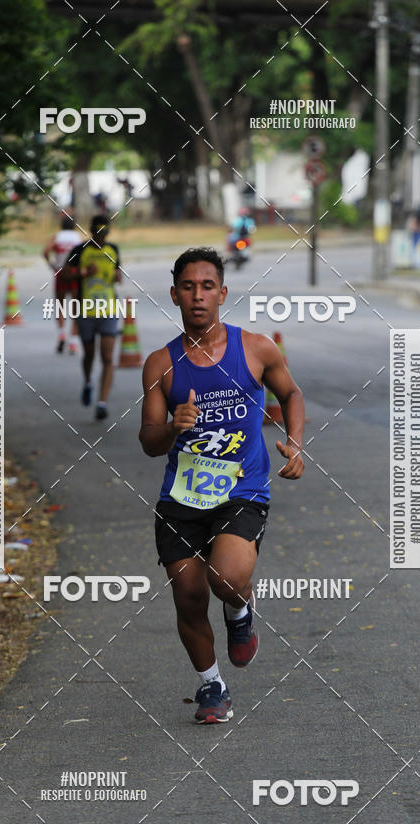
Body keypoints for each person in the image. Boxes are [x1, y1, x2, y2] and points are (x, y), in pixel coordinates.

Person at [139, 247, 305, 724]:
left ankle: (238, 608)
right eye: (188, 287)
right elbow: (149, 442)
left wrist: (295, 445)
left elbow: (290, 393)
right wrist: (172, 427)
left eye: (207, 286)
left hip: (242, 490)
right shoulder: (160, 365)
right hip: (182, 498)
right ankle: (212, 684)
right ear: (174, 295)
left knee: (226, 578)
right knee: (189, 596)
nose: (197, 296)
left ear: (222, 293)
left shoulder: (254, 348)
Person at [65, 214, 122, 420]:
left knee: (107, 357)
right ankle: (88, 381)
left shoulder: (113, 250)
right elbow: (64, 273)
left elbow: (117, 274)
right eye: (98, 234)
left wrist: (118, 277)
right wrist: (83, 272)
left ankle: (102, 403)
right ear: (91, 232)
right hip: (86, 309)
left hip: (109, 309)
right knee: (89, 354)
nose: (102, 238)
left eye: (105, 234)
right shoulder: (79, 251)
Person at [43, 214, 81, 354]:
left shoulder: (57, 237)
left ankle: (61, 334)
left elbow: (45, 252)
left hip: (60, 273)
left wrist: (52, 265)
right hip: (75, 274)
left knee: (60, 305)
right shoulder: (78, 239)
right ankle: (73, 342)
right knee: (76, 308)